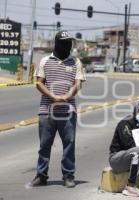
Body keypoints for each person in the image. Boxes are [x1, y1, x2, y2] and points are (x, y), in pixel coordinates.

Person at [30, 31, 86, 188]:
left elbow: (78, 83)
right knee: (44, 145)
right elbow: (39, 82)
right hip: (47, 111)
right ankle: (41, 176)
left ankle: (68, 175)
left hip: (68, 112)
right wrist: (53, 96)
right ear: (57, 43)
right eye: (64, 42)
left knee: (69, 143)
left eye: (69, 42)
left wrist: (67, 96)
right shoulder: (45, 61)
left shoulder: (76, 62)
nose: (67, 45)